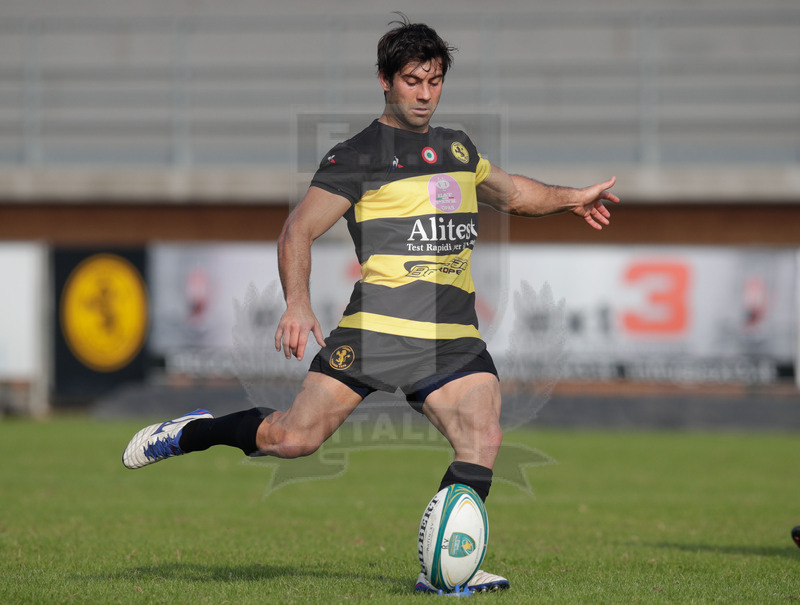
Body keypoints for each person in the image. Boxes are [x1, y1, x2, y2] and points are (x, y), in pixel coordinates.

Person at [122, 15, 619, 594]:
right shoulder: (356, 155)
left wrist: (571, 198)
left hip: (452, 337)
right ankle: (193, 433)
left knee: (483, 437)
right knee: (293, 440)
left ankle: (448, 568)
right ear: (385, 80)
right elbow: (296, 231)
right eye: (413, 80)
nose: (426, 92)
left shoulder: (457, 148)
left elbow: (511, 192)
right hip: (376, 331)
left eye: (434, 80)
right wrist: (298, 303)